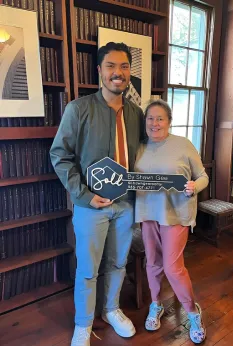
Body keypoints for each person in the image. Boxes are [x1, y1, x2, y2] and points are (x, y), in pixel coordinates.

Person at [50, 42, 144, 346]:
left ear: (130, 72)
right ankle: (83, 323)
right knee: (88, 269)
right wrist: (85, 195)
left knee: (118, 263)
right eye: (111, 66)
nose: (118, 73)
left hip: (126, 204)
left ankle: (111, 309)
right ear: (99, 71)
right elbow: (60, 155)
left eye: (124, 66)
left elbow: (145, 154)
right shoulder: (78, 109)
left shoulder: (137, 114)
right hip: (91, 206)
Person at [134, 99, 208, 344]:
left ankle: (192, 312)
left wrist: (194, 186)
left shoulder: (183, 145)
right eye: (150, 119)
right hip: (147, 213)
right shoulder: (139, 147)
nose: (154, 123)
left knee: (173, 268)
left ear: (169, 121)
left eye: (160, 118)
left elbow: (203, 176)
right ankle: (156, 304)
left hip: (176, 214)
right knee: (152, 263)